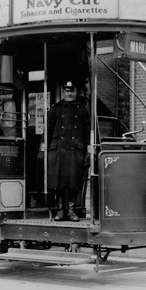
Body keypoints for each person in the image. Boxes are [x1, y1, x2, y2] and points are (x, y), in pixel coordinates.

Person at [47, 80, 90, 221]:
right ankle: (60, 210)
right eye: (67, 90)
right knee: (58, 182)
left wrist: (89, 148)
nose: (69, 93)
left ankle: (71, 210)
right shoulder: (55, 109)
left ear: (76, 92)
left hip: (75, 150)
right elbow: (47, 131)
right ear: (63, 92)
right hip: (59, 150)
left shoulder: (83, 110)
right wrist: (45, 150)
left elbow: (88, 132)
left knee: (74, 181)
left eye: (72, 90)